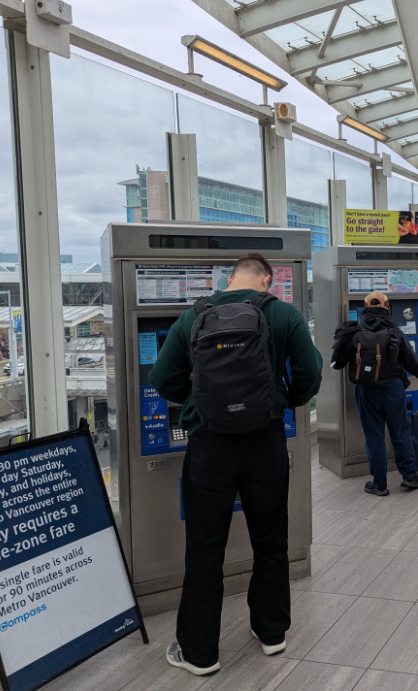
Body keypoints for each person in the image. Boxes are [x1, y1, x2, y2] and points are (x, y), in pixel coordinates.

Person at [150, 253, 323, 676]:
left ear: (230, 279)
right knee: (271, 539)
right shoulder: (284, 315)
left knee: (205, 547)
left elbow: (161, 378)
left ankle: (200, 653)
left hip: (209, 445)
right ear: (266, 280)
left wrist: (199, 402)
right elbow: (311, 372)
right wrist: (284, 400)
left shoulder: (193, 317)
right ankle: (272, 632)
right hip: (265, 440)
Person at [331, 291, 418, 495]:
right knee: (400, 432)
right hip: (393, 387)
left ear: (365, 307)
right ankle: (410, 476)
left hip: (366, 389)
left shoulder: (354, 332)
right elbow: (411, 359)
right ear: (387, 306)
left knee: (374, 436)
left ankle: (379, 484)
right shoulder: (395, 331)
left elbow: (337, 363)